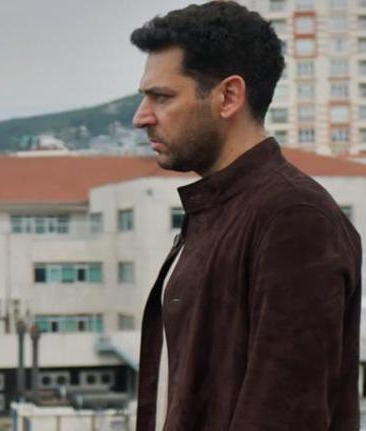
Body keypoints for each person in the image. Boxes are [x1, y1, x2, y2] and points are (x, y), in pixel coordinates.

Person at [130, 2, 361, 430]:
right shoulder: (219, 209)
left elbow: (286, 416)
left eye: (162, 97)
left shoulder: (293, 218)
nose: (140, 117)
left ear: (229, 97)